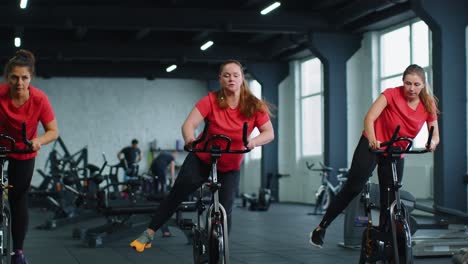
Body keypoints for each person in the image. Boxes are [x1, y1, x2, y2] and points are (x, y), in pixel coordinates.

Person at [130, 59, 275, 252]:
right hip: (203, 157)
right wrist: (190, 140)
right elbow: (188, 125)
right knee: (177, 193)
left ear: (242, 79)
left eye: (235, 75)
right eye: (226, 75)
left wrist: (253, 142)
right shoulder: (211, 100)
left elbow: (269, 133)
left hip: (230, 164)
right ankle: (149, 233)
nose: (231, 79)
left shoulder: (253, 105)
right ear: (220, 79)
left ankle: (220, 252)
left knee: (226, 210)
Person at [309, 64, 440, 248]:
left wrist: (431, 143)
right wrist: (372, 139)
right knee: (353, 188)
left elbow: (435, 134)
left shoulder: (428, 104)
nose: (411, 88)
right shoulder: (391, 94)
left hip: (395, 152)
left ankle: (385, 241)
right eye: (408, 83)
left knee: (391, 200)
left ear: (423, 84)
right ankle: (322, 227)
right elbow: (369, 118)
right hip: (373, 145)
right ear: (402, 82)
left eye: (416, 84)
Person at [0, 49, 59, 263]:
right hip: (1, 146)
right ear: (8, 77)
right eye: (14, 77)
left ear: (30, 78)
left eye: (24, 77)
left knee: (18, 199)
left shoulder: (39, 99)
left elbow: (53, 131)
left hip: (24, 150)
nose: (19, 82)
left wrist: (37, 142)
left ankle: (18, 252)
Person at [149, 150, 178, 237]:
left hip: (153, 165)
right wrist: (173, 181)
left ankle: (155, 194)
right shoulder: (172, 157)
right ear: (174, 154)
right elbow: (172, 170)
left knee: (156, 180)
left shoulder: (164, 154)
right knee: (163, 181)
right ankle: (162, 196)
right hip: (159, 166)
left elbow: (155, 160)